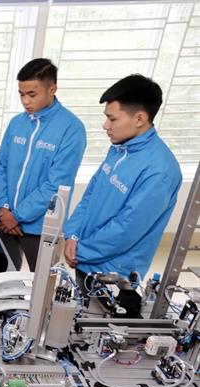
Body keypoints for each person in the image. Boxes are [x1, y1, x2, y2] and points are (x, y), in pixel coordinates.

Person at [64, 74, 182, 298]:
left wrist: (81, 250)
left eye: (112, 119)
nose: (105, 126)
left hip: (113, 276)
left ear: (139, 119)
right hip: (85, 258)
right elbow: (90, 195)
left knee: (95, 319)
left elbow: (128, 228)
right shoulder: (120, 149)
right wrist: (73, 235)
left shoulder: (160, 170)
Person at [0, 58, 86, 271]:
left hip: (40, 227)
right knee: (3, 278)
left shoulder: (71, 129)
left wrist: (17, 216)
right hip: (6, 221)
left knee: (41, 283)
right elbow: (1, 167)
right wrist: (3, 208)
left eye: (32, 94)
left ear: (52, 89)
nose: (25, 101)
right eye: (21, 94)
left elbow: (56, 184)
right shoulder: (17, 123)